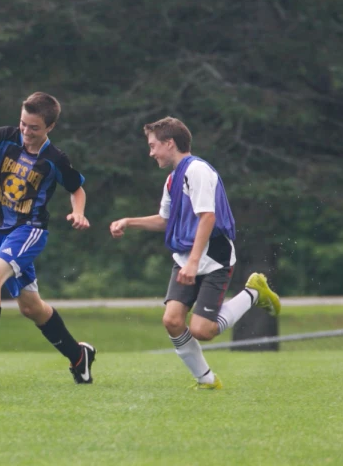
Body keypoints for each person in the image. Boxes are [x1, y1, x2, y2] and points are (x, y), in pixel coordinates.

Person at [109, 116, 280, 390]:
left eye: (153, 146)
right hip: (187, 259)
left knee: (203, 330)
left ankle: (254, 293)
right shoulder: (172, 179)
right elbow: (166, 220)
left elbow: (207, 218)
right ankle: (207, 380)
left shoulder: (196, 171)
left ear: (170, 143)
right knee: (172, 321)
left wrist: (193, 262)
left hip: (213, 260)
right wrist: (130, 222)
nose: (151, 152)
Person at [0, 92, 96, 385]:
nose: (26, 132)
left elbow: (77, 188)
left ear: (49, 127)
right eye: (24, 124)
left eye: (34, 127)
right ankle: (79, 357)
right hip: (2, 233)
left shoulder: (55, 159)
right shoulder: (5, 137)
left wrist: (79, 212)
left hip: (30, 231)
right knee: (31, 308)